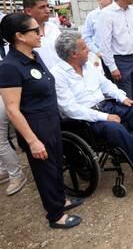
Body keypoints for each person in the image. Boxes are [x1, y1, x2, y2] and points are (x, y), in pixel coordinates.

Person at [51, 31, 133, 185]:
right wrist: (105, 117)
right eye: (85, 48)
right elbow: (70, 109)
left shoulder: (87, 67)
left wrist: (123, 98)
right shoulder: (58, 75)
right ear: (73, 54)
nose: (89, 50)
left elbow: (106, 85)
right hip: (86, 120)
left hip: (105, 105)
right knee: (116, 129)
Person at [0, 13, 83, 229]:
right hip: (34, 126)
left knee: (55, 165)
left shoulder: (34, 57)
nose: (40, 34)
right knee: (44, 170)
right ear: (19, 36)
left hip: (51, 120)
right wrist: (32, 140)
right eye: (35, 31)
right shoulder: (10, 67)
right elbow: (12, 109)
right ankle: (55, 215)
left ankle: (61, 200)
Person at [0, 12, 27, 196]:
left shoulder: (5, 19)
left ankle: (15, 174)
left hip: (8, 83)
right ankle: (5, 169)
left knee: (2, 135)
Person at [23, 0, 61, 69]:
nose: (47, 10)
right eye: (42, 7)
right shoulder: (21, 33)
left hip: (60, 76)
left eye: (47, 6)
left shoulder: (53, 28)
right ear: (28, 11)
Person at [82, 0, 114, 78]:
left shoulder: (117, 14)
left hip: (118, 55)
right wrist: (97, 52)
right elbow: (86, 37)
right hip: (102, 56)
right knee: (108, 81)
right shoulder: (92, 16)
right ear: (99, 0)